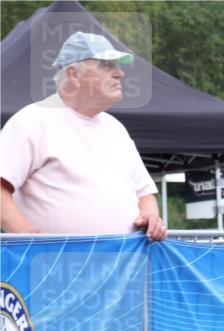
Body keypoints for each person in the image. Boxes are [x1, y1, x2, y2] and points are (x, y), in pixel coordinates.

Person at [0, 32, 166, 240]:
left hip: (123, 266)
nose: (120, 73)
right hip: (54, 267)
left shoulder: (116, 129)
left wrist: (150, 216)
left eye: (118, 66)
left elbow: (144, 193)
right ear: (73, 74)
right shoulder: (31, 121)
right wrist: (27, 237)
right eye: (106, 65)